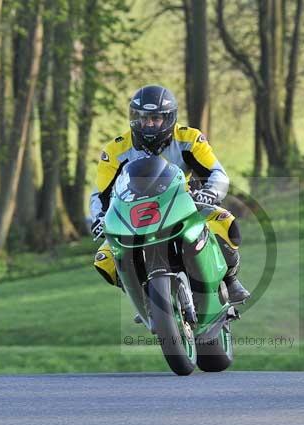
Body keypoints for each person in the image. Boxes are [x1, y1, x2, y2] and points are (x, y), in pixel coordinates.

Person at [90, 84, 250, 304]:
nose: (148, 124)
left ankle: (230, 280)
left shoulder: (189, 138)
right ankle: (144, 296)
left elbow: (217, 173)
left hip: (183, 206)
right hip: (135, 218)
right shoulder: (115, 151)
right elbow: (100, 194)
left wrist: (210, 192)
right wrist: (100, 218)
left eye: (155, 118)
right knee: (105, 260)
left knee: (225, 223)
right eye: (142, 118)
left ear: (169, 118)